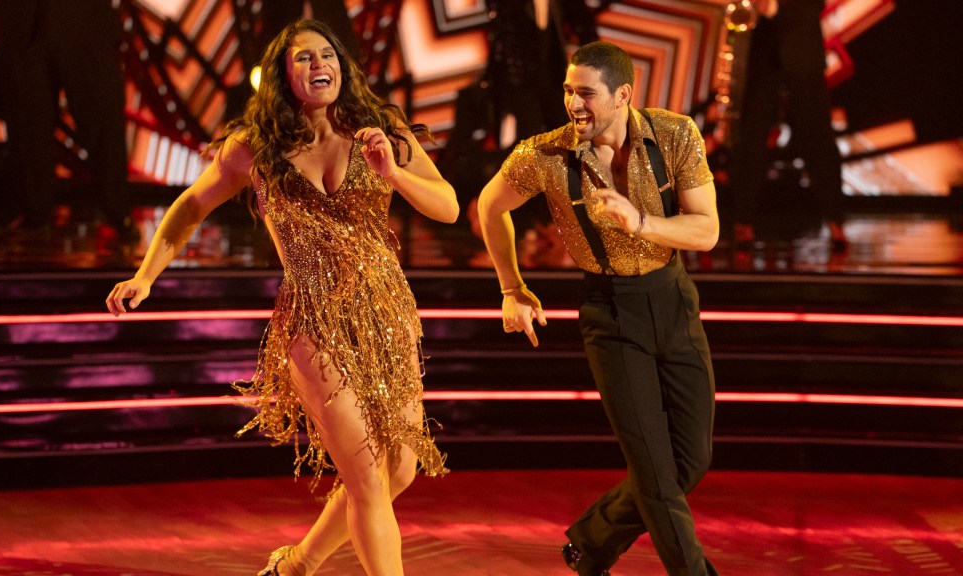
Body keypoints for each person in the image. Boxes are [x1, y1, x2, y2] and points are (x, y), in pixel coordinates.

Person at [106, 19, 457, 576]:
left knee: (398, 471)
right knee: (367, 477)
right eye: (304, 58)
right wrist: (146, 275)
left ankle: (296, 565)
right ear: (282, 75)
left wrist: (393, 172)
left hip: (386, 313)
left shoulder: (381, 130)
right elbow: (191, 205)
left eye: (328, 55)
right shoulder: (256, 147)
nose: (319, 65)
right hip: (312, 320)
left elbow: (448, 206)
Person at [477, 41, 720, 575]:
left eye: (585, 93)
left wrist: (642, 223)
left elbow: (707, 230)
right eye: (568, 91)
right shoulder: (544, 155)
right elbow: (489, 206)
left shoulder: (675, 133)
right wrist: (511, 287)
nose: (573, 103)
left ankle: (591, 542)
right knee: (654, 472)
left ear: (623, 94)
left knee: (690, 460)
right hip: (611, 315)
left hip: (674, 300)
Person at [0, 0, 129, 235]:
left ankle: (116, 210)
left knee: (102, 117)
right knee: (26, 121)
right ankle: (34, 212)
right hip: (22, 18)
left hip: (84, 17)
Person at [728, 0, 847, 251]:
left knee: (818, 138)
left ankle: (835, 219)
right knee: (751, 137)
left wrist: (773, 6)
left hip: (802, 50)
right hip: (763, 55)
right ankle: (743, 220)